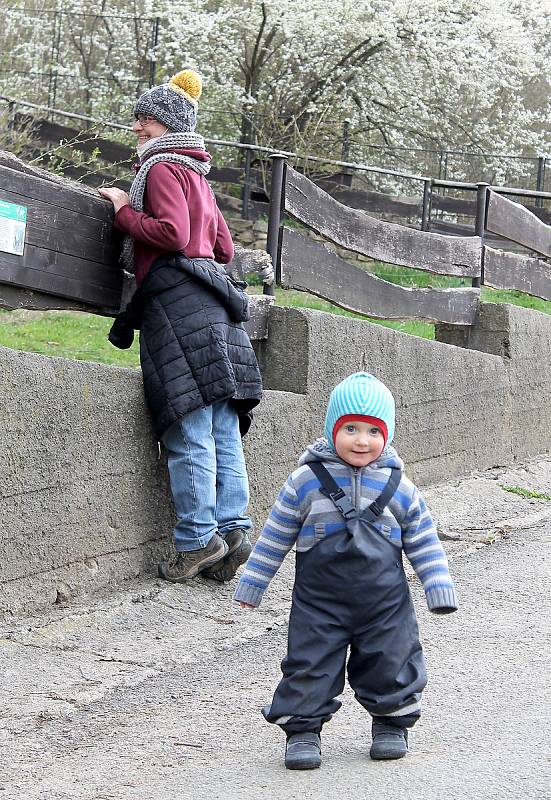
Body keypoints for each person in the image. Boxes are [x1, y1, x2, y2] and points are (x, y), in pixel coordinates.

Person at [234, 372, 457, 770]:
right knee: (308, 664)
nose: (361, 440)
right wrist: (253, 583)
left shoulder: (399, 486)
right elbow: (275, 534)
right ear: (331, 429)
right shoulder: (306, 481)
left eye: (373, 430)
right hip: (319, 606)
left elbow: (424, 538)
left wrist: (437, 586)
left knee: (392, 661)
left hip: (385, 606)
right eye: (350, 428)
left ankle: (391, 724)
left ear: (386, 435)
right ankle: (302, 730)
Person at [98, 69, 262, 584]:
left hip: (177, 307)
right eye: (139, 120)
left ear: (168, 125)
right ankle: (234, 531)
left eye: (146, 120)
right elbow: (224, 250)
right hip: (214, 306)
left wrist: (125, 212)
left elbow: (171, 234)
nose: (139, 128)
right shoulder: (201, 179)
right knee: (220, 427)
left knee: (188, 426)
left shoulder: (164, 169)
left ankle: (196, 540)